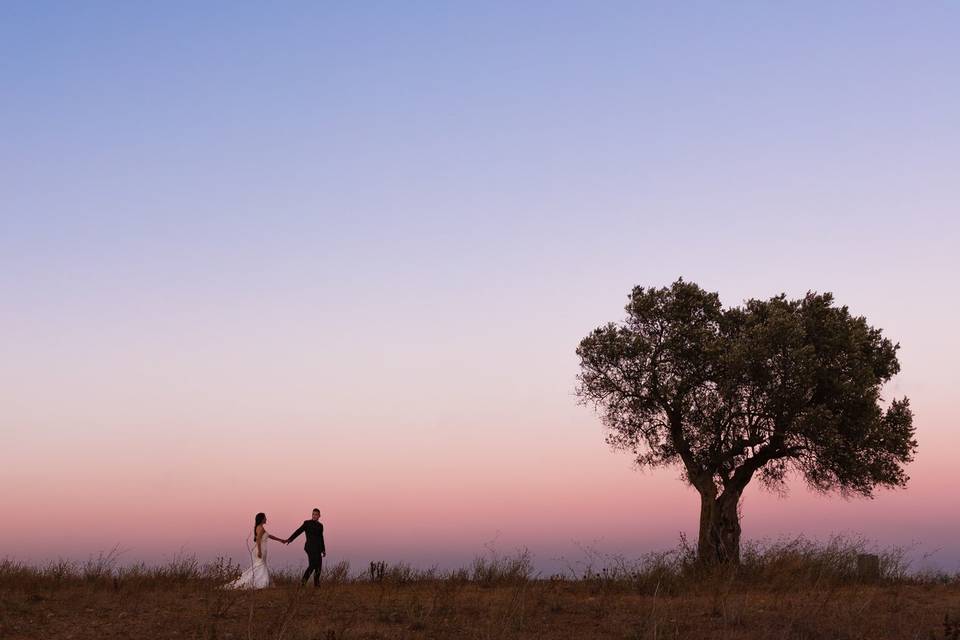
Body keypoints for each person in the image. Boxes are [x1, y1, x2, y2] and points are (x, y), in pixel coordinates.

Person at [225, 512, 286, 589]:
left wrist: (280, 540)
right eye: (265, 518)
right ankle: (261, 583)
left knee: (260, 566)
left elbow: (269, 536)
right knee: (261, 565)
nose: (266, 519)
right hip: (260, 549)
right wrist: (260, 551)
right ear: (262, 519)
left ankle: (262, 582)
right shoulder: (260, 527)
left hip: (261, 549)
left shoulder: (260, 527)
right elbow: (258, 539)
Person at [287, 508, 326, 586]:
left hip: (318, 548)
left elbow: (321, 538)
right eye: (313, 514)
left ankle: (316, 584)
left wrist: (323, 550)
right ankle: (303, 583)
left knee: (318, 566)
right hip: (310, 547)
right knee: (312, 565)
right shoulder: (307, 523)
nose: (314, 516)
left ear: (319, 516)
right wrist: (290, 539)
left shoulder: (320, 526)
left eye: (316, 514)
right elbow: (298, 531)